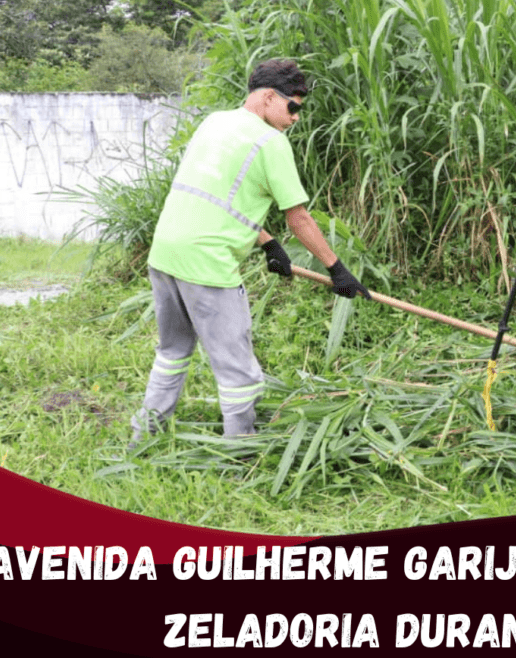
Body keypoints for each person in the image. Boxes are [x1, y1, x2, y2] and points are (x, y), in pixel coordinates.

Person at [130, 58, 370, 445]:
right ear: (269, 97)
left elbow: (219, 198)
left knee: (172, 352)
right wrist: (336, 268)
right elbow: (300, 218)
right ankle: (239, 451)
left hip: (165, 254)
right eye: (292, 107)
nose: (295, 118)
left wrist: (268, 243)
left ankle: (144, 437)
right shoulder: (270, 142)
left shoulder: (214, 123)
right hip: (207, 265)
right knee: (238, 373)